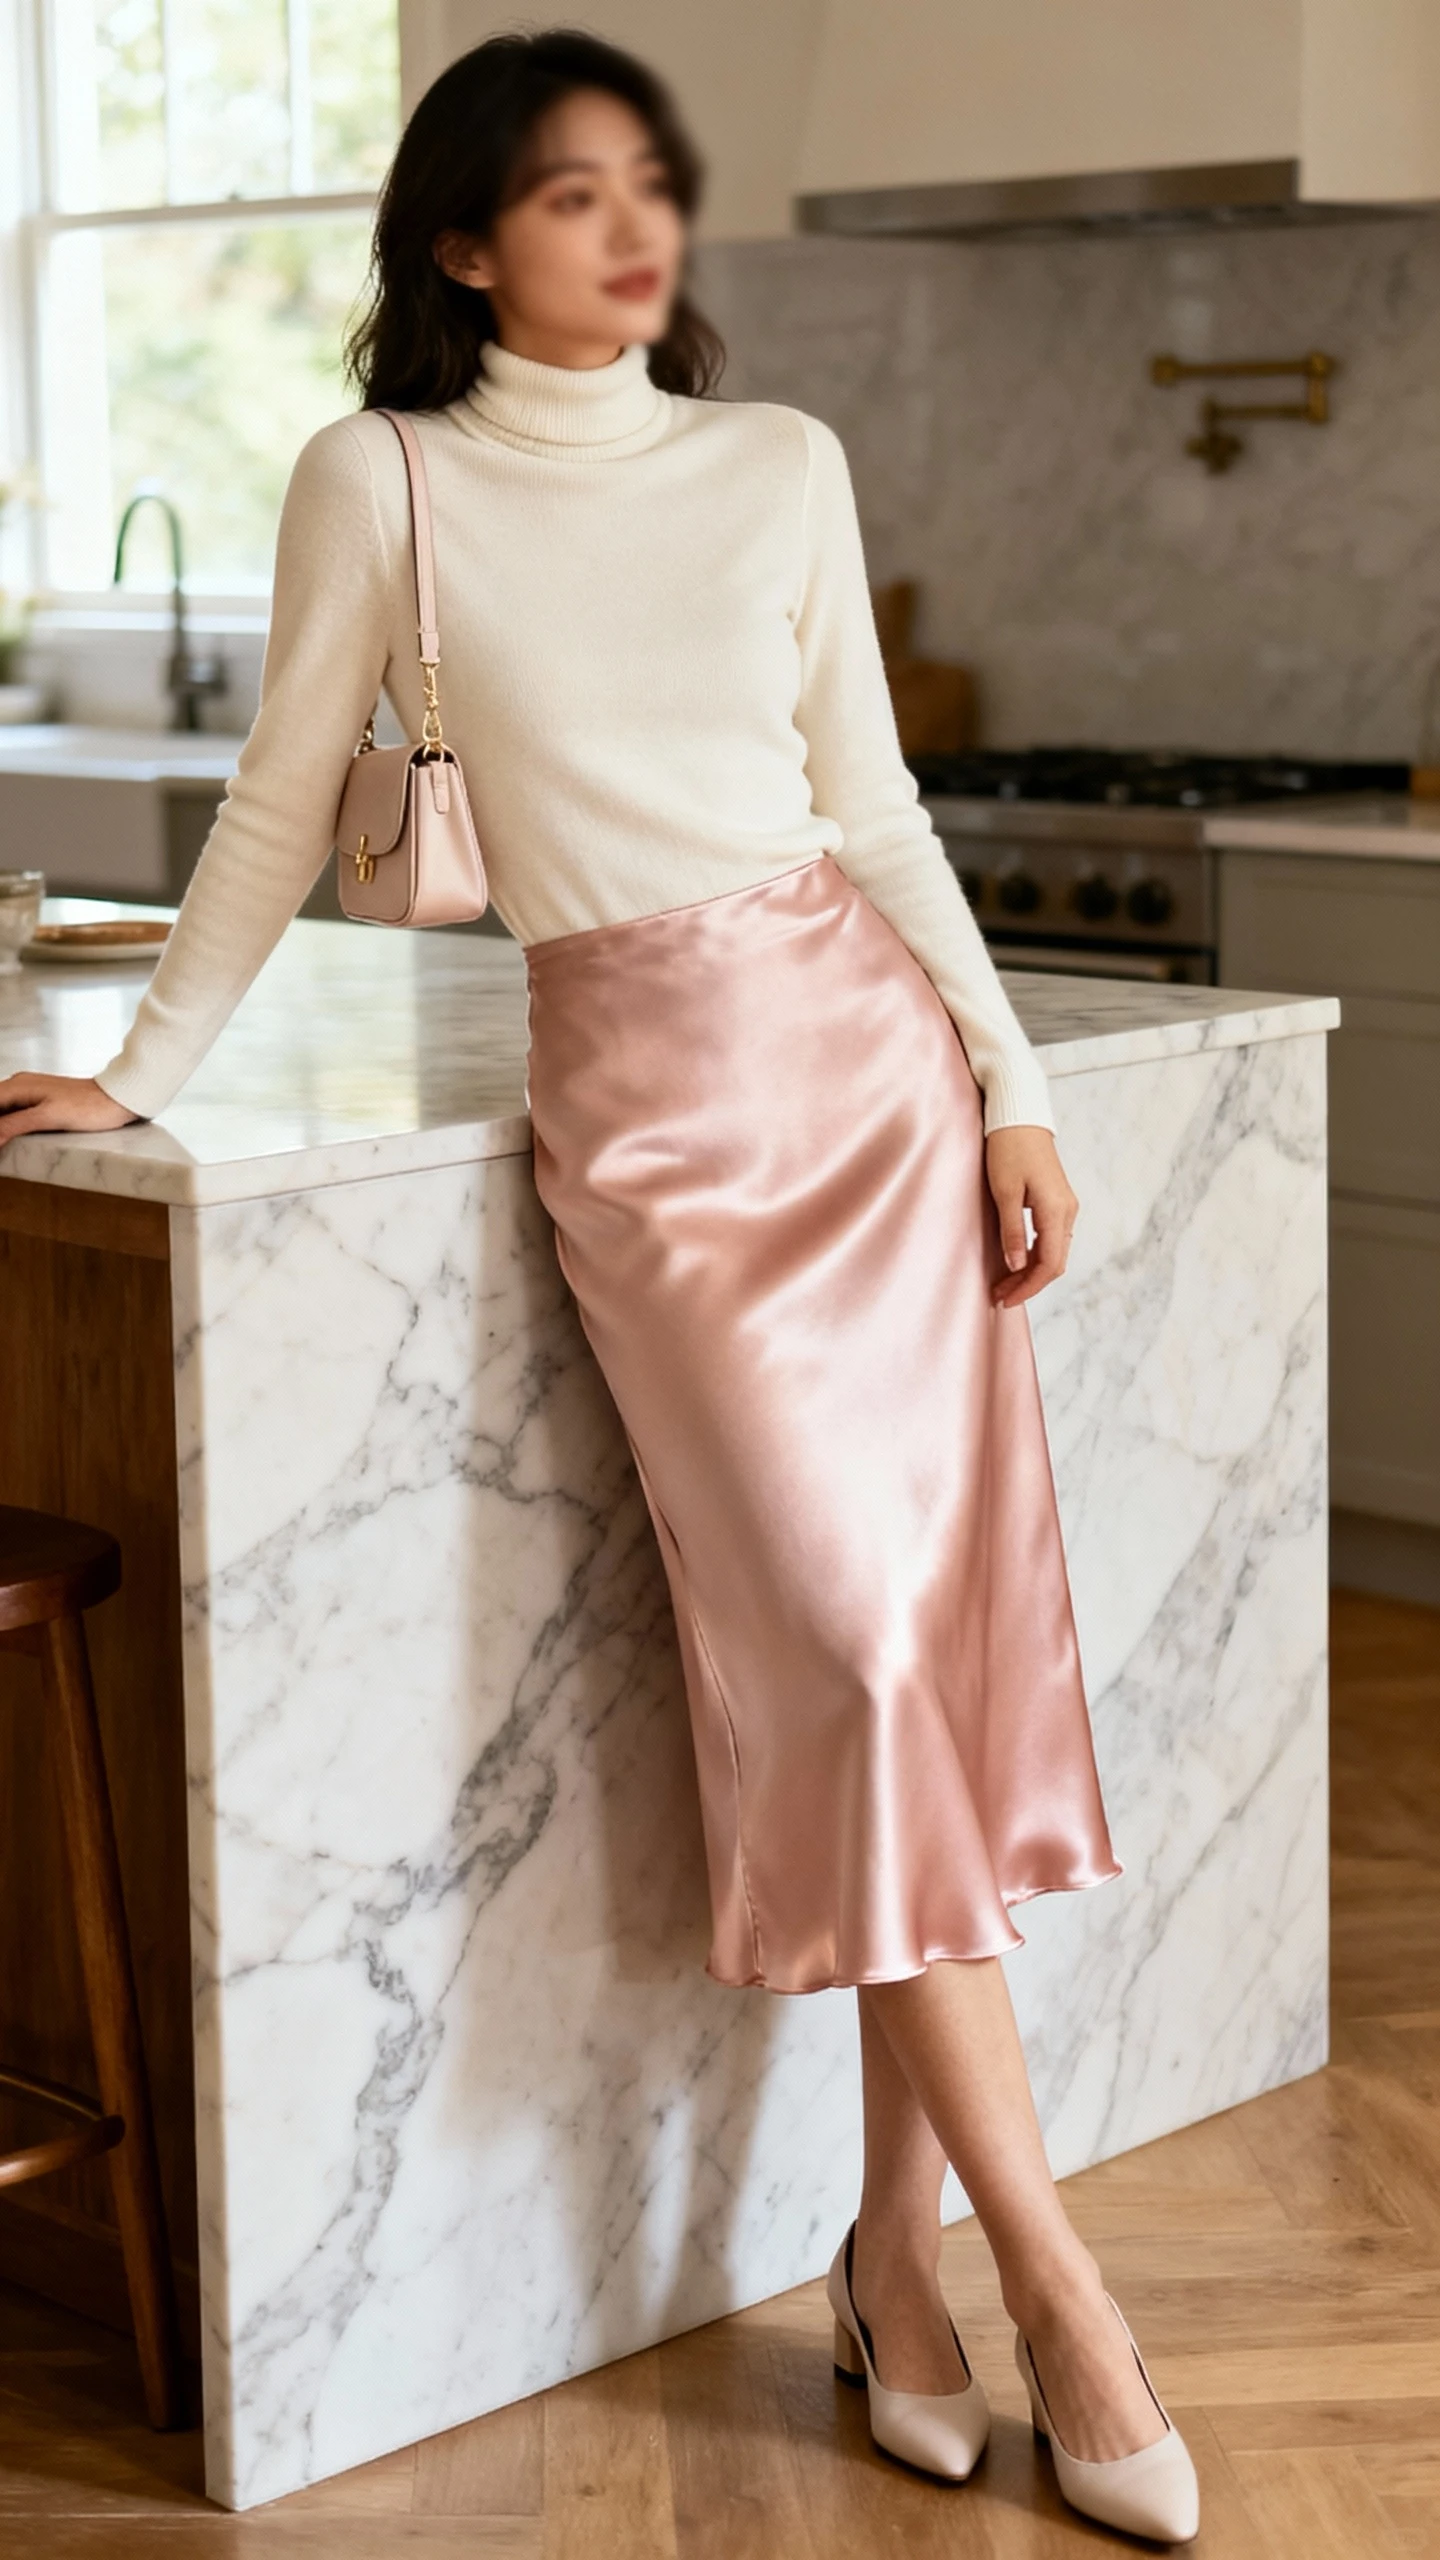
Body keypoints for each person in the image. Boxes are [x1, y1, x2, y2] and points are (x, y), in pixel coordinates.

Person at [0, 29, 1198, 2545]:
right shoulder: (385, 479)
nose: (635, 226)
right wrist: (146, 1063)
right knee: (862, 1667)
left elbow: (870, 801)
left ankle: (899, 2250)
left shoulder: (776, 463)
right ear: (461, 241)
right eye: (569, 193)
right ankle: (1063, 2280)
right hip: (651, 1123)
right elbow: (268, 797)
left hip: (870, 1076)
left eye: (651, 184)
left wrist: (1007, 1079)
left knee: (921, 1691)